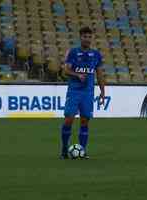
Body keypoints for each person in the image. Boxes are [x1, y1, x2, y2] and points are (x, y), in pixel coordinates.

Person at [60, 26, 105, 159]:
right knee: (69, 119)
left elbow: (100, 74)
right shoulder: (73, 52)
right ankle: (64, 149)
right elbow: (65, 71)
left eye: (89, 37)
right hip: (74, 91)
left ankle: (83, 150)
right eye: (85, 36)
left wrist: (102, 91)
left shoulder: (96, 54)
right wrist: (77, 75)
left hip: (88, 93)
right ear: (80, 37)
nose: (87, 39)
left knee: (85, 121)